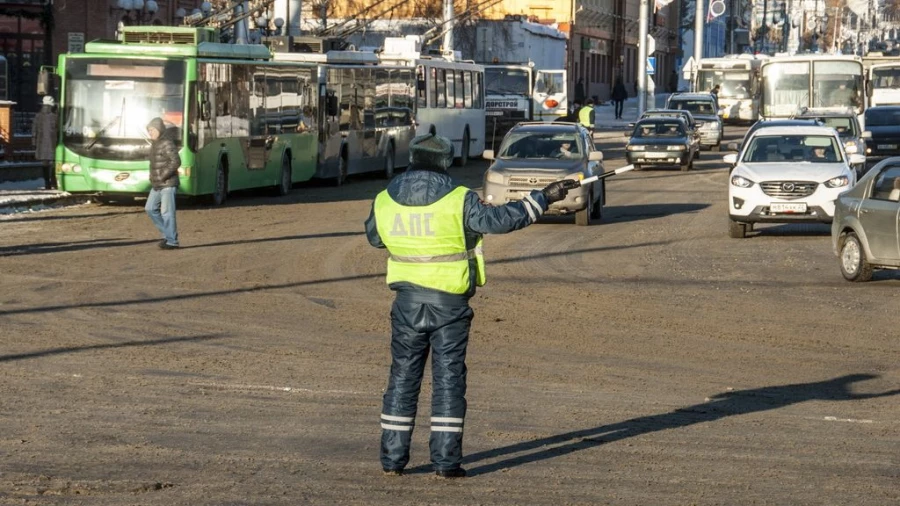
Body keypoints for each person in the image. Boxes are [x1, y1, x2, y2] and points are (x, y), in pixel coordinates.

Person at [364, 133, 577, 479]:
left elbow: (374, 237)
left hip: (405, 303)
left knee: (402, 378)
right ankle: (446, 463)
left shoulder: (385, 198)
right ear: (445, 163)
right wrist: (543, 198)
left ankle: (392, 459)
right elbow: (501, 220)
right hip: (449, 304)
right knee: (448, 380)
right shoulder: (459, 198)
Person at [145, 117, 181, 249]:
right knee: (150, 209)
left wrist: (162, 176)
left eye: (152, 130)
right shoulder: (154, 144)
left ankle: (172, 241)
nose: (150, 133)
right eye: (149, 130)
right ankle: (167, 235)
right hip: (157, 184)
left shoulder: (167, 143)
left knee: (167, 212)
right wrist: (153, 178)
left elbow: (176, 161)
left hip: (168, 184)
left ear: (159, 129)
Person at [32, 95, 58, 190]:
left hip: (41, 143)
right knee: (55, 163)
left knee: (45, 164)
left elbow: (34, 130)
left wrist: (34, 143)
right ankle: (54, 181)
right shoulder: (56, 116)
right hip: (54, 143)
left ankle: (47, 182)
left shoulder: (38, 116)